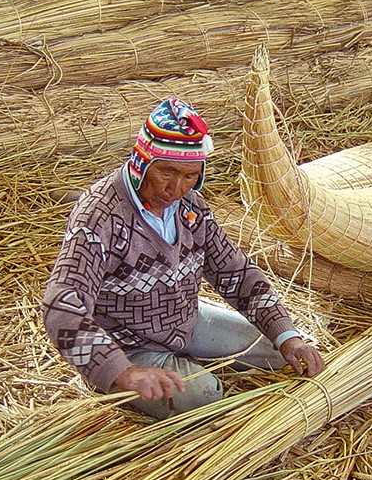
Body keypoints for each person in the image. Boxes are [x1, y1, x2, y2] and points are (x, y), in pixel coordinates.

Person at [42, 97, 325, 419]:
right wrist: (120, 370)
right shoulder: (99, 216)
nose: (176, 188)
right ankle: (109, 378)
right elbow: (60, 303)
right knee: (203, 396)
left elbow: (235, 271)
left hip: (185, 318)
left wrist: (287, 335)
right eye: (167, 172)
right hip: (126, 341)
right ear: (142, 162)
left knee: (282, 351)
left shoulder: (191, 207)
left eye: (190, 176)